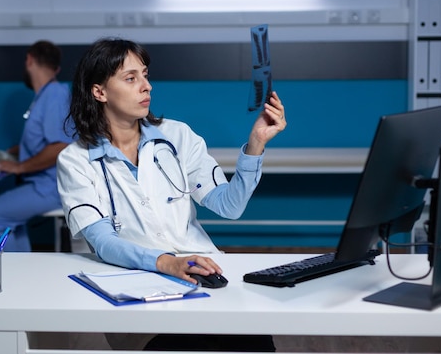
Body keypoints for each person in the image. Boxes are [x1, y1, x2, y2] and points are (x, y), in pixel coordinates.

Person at [56, 38, 286, 351]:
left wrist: (257, 143)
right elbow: (104, 243)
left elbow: (229, 206)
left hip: (206, 275)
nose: (146, 86)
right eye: (131, 78)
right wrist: (168, 263)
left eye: (146, 75)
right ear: (100, 92)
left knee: (256, 342)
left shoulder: (177, 136)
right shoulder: (76, 160)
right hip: (139, 292)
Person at [0, 40, 74, 252]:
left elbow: (59, 146)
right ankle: (22, 274)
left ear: (29, 60)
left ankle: (8, 278)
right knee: (9, 223)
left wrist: (19, 167)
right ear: (56, 67)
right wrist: (16, 152)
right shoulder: (46, 96)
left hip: (51, 187)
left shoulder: (55, 95)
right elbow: (47, 140)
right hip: (43, 184)